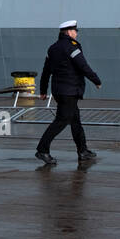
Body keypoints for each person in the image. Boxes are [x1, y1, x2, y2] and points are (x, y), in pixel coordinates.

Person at [34, 20, 101, 166]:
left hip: (59, 91)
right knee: (61, 121)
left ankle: (83, 151)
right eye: (75, 31)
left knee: (75, 121)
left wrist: (43, 90)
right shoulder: (71, 47)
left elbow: (46, 71)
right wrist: (96, 80)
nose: (76, 33)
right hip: (69, 91)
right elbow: (83, 65)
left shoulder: (52, 48)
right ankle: (42, 149)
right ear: (69, 32)